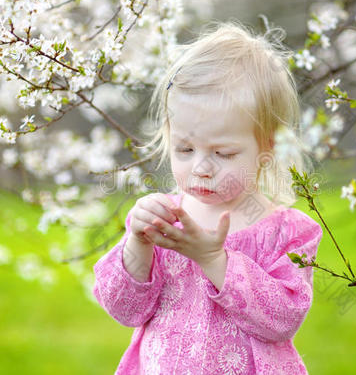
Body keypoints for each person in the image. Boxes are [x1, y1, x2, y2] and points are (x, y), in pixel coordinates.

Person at [92, 21, 323, 374]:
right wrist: (137, 245)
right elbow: (126, 309)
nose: (201, 167)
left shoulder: (289, 233)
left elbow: (282, 319)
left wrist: (215, 259)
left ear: (267, 147)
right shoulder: (163, 218)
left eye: (224, 153)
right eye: (185, 148)